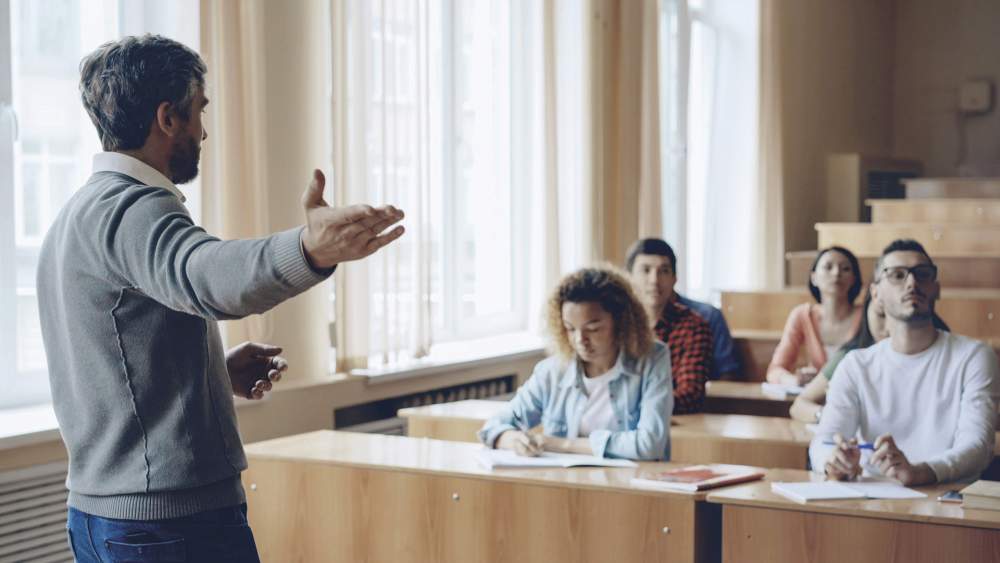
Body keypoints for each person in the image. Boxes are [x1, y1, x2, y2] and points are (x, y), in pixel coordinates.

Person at [37, 35, 404, 562]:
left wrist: (207, 373)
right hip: (167, 524)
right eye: (198, 111)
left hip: (107, 516)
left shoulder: (76, 215)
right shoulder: (135, 210)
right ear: (168, 118)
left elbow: (106, 362)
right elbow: (208, 276)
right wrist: (311, 248)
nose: (204, 130)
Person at [810, 239, 999, 485]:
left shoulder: (974, 356)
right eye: (897, 275)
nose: (911, 283)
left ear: (936, 288)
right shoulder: (855, 364)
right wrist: (833, 460)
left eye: (922, 274)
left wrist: (921, 471)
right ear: (875, 293)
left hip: (948, 497)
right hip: (873, 496)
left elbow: (978, 447)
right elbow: (823, 441)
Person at [478, 267, 672, 461]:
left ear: (621, 322)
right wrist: (514, 440)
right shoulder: (552, 371)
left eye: (593, 329)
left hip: (632, 484)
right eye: (570, 329)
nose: (580, 340)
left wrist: (563, 444)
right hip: (569, 485)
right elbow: (492, 427)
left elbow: (649, 444)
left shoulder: (653, 359)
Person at [790, 288, 950, 423]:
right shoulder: (850, 356)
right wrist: (829, 416)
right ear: (866, 311)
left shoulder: (945, 356)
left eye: (897, 317)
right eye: (881, 315)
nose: (889, 327)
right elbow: (799, 405)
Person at [625, 239, 715, 413]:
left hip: (672, 425)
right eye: (645, 270)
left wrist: (632, 406)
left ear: (674, 279)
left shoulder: (693, 326)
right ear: (629, 277)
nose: (654, 280)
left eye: (664, 271)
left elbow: (690, 395)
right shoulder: (615, 324)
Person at [767, 246, 864, 386]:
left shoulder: (866, 315)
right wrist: (795, 380)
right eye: (828, 267)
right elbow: (775, 369)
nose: (836, 273)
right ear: (814, 278)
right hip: (815, 397)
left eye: (845, 269)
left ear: (854, 279)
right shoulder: (802, 315)